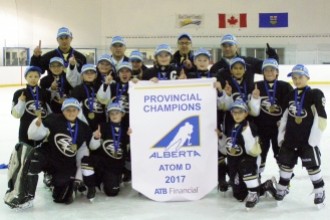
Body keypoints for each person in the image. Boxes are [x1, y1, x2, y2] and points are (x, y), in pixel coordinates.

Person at [5, 98, 92, 209]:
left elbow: (82, 153)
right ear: (63, 110)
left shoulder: (84, 128)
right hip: (49, 157)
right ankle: (24, 195)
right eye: (67, 110)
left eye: (74, 110)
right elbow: (33, 136)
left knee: (61, 198)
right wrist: (37, 125)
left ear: (78, 111)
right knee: (34, 158)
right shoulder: (53, 119)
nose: (71, 112)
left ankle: (53, 180)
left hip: (65, 165)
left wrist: (78, 178)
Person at [275, 64, 327, 207]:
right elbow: (285, 116)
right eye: (294, 78)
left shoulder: (315, 94)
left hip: (307, 140)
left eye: (300, 77)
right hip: (290, 139)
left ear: (308, 78)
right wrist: (281, 136)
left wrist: (314, 140)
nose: (297, 80)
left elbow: (322, 117)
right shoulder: (290, 95)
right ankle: (282, 188)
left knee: (312, 167)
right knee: (285, 165)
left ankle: (319, 190)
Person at [219, 100, 276, 209]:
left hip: (248, 162)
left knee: (245, 168)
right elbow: (228, 147)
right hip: (234, 164)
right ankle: (265, 185)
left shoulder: (250, 127)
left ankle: (255, 192)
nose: (237, 115)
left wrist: (247, 134)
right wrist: (221, 136)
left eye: (240, 112)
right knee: (239, 195)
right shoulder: (232, 127)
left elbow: (253, 151)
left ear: (246, 113)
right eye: (234, 112)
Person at [82, 102, 129, 200]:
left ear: (122, 114)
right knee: (86, 161)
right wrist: (95, 138)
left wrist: (131, 136)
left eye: (117, 113)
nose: (114, 115)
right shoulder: (102, 127)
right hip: (103, 162)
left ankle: (117, 177)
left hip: (117, 165)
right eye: (112, 113)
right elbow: (92, 147)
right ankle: (92, 185)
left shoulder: (126, 129)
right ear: (108, 115)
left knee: (112, 192)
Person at [254, 59, 293, 174]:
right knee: (260, 154)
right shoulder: (257, 86)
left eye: (272, 70)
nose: (269, 72)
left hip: (279, 129)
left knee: (281, 155)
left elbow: (290, 108)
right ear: (263, 72)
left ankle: (284, 181)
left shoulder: (285, 86)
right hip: (261, 129)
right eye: (266, 70)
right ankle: (256, 179)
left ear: (277, 72)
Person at [210, 34, 278, 87]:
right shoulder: (216, 68)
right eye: (224, 46)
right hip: (226, 102)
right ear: (221, 47)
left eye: (230, 46)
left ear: (236, 47)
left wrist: (274, 57)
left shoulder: (249, 62)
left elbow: (268, 68)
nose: (227, 48)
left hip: (248, 101)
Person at [11, 66, 51, 147]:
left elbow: (50, 112)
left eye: (36, 76)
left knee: (42, 155)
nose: (33, 79)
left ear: (39, 77)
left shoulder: (45, 93)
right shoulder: (19, 93)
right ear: (26, 77)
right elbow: (16, 114)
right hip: (25, 129)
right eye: (30, 76)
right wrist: (21, 102)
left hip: (42, 128)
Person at [70, 64, 106, 131]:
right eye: (86, 73)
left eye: (92, 73)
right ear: (82, 76)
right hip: (84, 125)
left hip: (101, 124)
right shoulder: (77, 89)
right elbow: (72, 108)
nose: (89, 75)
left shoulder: (101, 88)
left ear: (96, 75)